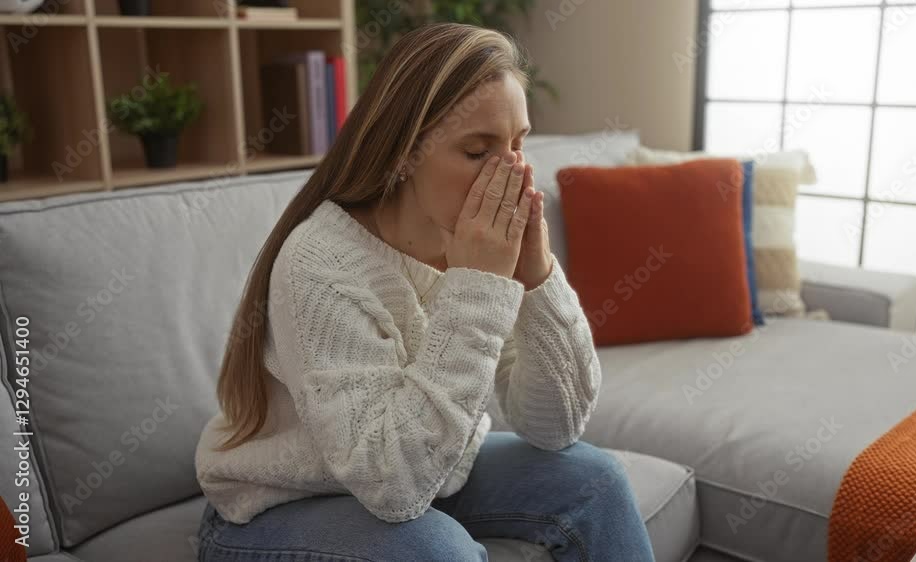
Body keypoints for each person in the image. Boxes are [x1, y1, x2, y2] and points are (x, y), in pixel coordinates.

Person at [193, 22, 655, 562]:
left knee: (595, 478)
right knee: (437, 551)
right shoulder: (320, 263)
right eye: (478, 150)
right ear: (403, 154)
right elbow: (393, 486)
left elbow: (556, 427)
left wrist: (538, 278)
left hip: (434, 475)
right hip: (277, 508)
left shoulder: (471, 243)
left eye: (519, 144)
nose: (511, 174)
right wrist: (477, 289)